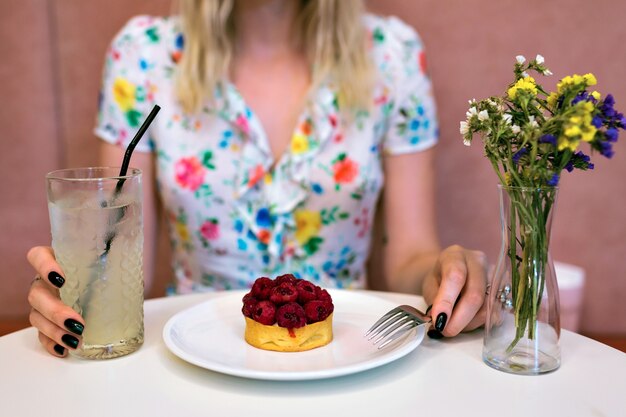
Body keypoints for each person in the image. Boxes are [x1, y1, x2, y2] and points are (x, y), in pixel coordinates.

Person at [27, 0, 488, 357]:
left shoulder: (394, 55)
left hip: (345, 358)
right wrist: (77, 289)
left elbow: (409, 256)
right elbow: (125, 258)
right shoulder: (142, 55)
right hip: (196, 360)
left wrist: (445, 274)